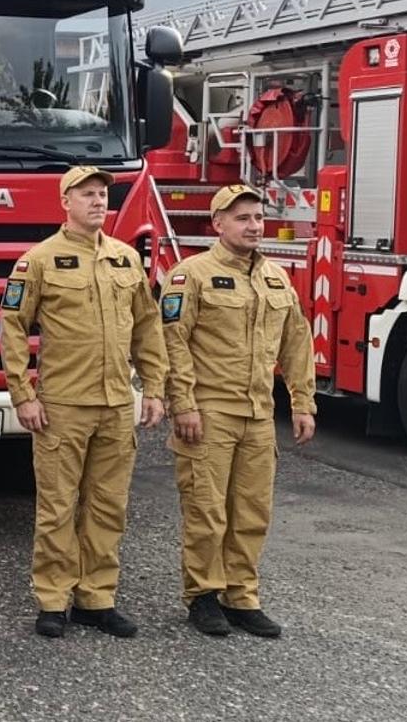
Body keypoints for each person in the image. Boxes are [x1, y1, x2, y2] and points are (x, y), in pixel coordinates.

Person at [0, 165, 168, 640]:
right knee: (57, 507)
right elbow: (13, 328)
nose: (98, 201)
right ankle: (53, 600)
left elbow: (147, 326)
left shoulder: (124, 259)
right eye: (87, 194)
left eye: (101, 194)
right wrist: (22, 394)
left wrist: (154, 387)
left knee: (108, 506)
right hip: (63, 405)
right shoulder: (38, 261)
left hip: (115, 404)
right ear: (65, 202)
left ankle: (97, 598)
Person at [160, 184, 316, 639]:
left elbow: (297, 342)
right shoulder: (192, 275)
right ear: (218, 224)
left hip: (258, 413)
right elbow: (173, 343)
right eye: (242, 218)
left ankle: (242, 597)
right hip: (210, 411)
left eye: (258, 218)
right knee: (206, 511)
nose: (253, 226)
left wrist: (303, 402)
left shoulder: (276, 278)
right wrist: (183, 404)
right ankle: (203, 595)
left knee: (252, 512)